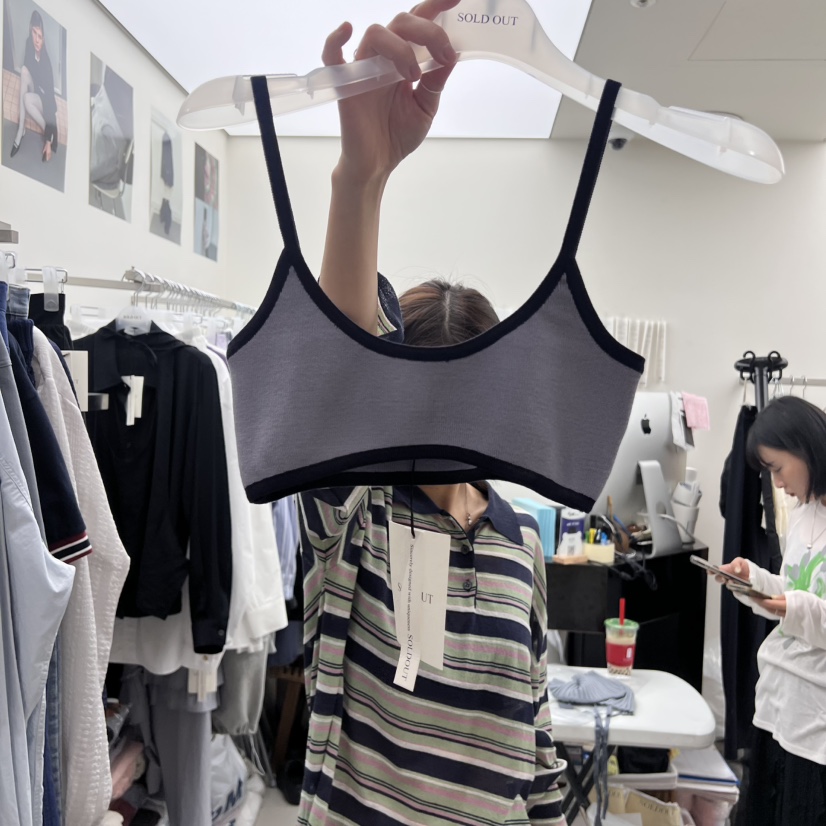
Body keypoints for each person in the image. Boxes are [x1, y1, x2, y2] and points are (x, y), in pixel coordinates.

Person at [295, 1, 566, 823]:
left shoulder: (521, 541)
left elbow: (536, 724)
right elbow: (342, 384)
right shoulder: (358, 517)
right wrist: (362, 179)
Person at [713, 395, 826, 824]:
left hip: (816, 727)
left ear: (806, 448)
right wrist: (753, 581)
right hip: (777, 706)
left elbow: (802, 606)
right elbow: (794, 593)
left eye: (778, 468)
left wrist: (791, 605)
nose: (776, 484)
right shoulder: (804, 513)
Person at [10, 9, 58, 162]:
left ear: (43, 39)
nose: (36, 40)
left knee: (27, 99)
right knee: (24, 70)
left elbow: (49, 102)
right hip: (36, 90)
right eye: (34, 33)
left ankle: (48, 134)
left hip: (45, 101)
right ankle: (21, 129)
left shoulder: (47, 64)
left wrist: (48, 141)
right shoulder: (29, 44)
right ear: (31, 31)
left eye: (40, 36)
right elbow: (28, 72)